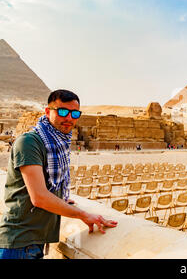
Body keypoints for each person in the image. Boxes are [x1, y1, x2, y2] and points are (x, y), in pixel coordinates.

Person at [0, 90, 117, 259]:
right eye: (62, 111)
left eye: (75, 113)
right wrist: (82, 214)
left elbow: (48, 185)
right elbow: (39, 197)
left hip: (34, 243)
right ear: (47, 112)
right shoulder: (29, 142)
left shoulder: (58, 144)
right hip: (19, 243)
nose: (69, 118)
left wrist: (59, 197)